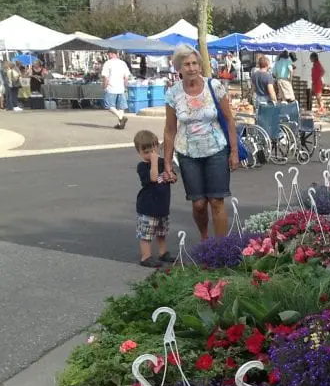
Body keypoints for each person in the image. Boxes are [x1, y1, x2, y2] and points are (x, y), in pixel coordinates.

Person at [162, 44, 239, 241]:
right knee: (198, 203)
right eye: (187, 64)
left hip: (216, 149)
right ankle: (205, 240)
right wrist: (168, 163)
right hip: (188, 153)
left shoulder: (214, 86)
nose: (192, 68)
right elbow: (170, 129)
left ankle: (220, 247)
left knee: (216, 200)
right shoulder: (173, 93)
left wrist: (234, 151)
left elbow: (229, 119)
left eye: (195, 63)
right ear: (179, 68)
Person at [134, 130, 174, 267]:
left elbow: (172, 175)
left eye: (153, 150)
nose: (151, 154)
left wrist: (172, 176)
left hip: (162, 206)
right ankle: (146, 256)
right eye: (146, 152)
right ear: (139, 152)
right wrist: (154, 161)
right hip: (147, 207)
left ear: (157, 147)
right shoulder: (142, 167)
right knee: (146, 233)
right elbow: (153, 177)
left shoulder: (163, 162)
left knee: (162, 231)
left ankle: (163, 252)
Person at [101, 49, 131, 129]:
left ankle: (121, 118)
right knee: (121, 107)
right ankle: (120, 124)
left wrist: (104, 86)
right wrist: (125, 86)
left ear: (110, 54)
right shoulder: (122, 63)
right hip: (121, 88)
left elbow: (106, 77)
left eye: (108, 54)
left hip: (111, 87)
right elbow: (126, 77)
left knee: (109, 106)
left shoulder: (108, 63)